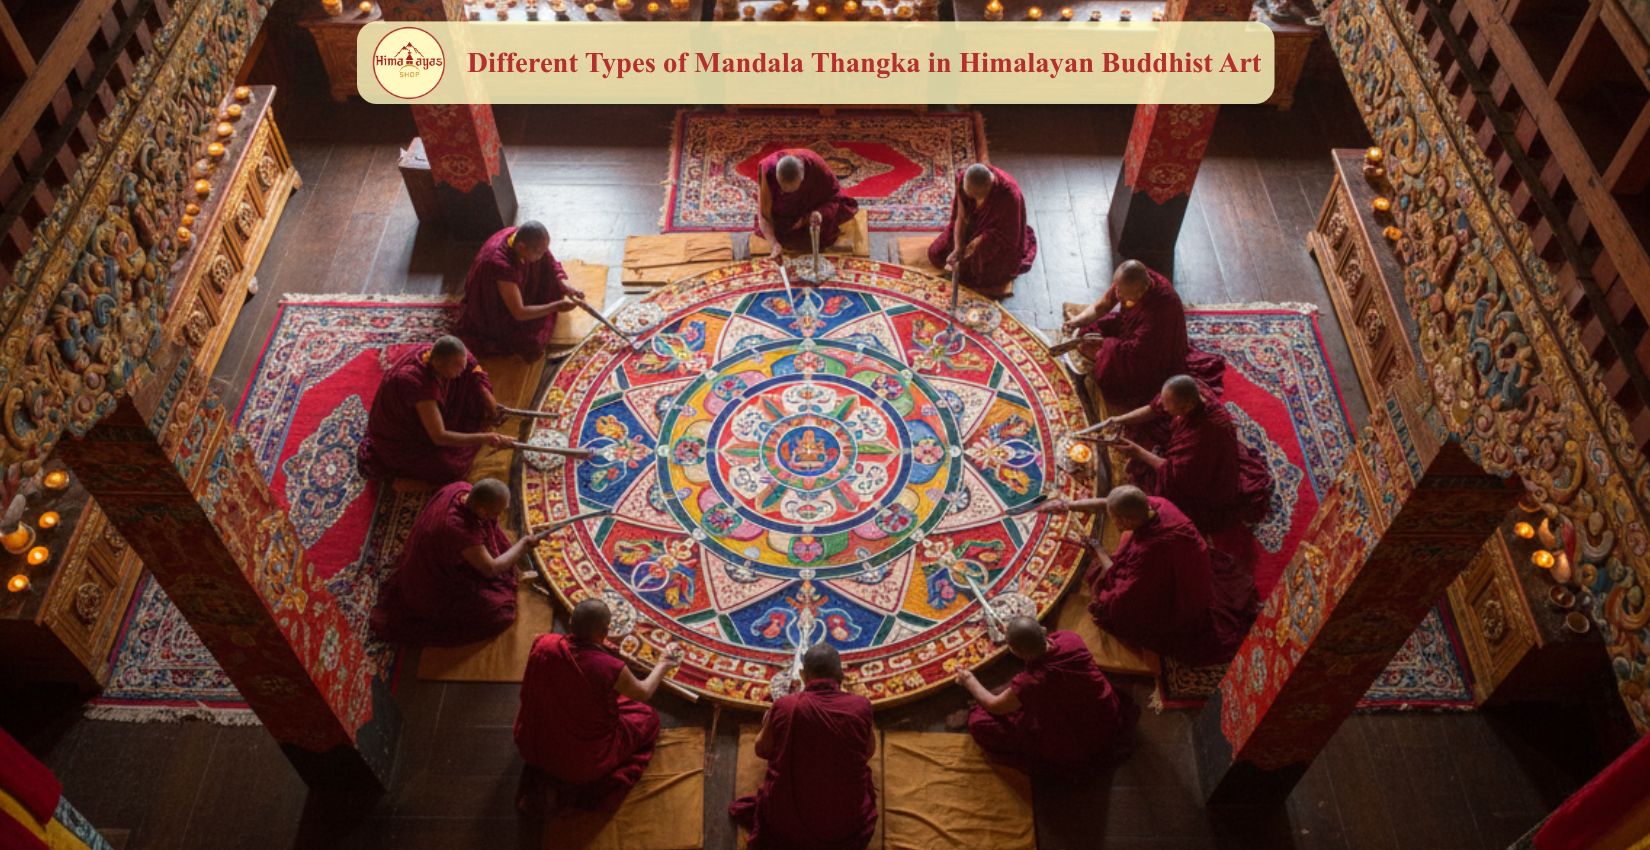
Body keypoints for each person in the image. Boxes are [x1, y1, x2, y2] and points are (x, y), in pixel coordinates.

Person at [1038, 485, 1256, 666]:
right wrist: (1067, 506)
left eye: (1117, 520)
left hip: (1181, 592)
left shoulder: (1150, 551)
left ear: (1130, 522)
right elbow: (1108, 503)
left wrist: (1099, 552)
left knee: (1112, 606)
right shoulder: (1157, 505)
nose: (1115, 523)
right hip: (1186, 558)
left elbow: (1126, 594)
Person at [514, 599, 681, 813]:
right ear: (604, 632)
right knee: (647, 717)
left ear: (571, 621)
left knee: (612, 698)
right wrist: (663, 664)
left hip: (531, 743)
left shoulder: (544, 644)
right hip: (582, 764)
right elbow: (644, 692)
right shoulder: (608, 667)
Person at [729, 644, 877, 850]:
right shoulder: (861, 706)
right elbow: (868, 752)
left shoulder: (787, 706)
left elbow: (761, 749)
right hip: (845, 825)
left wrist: (770, 720)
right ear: (841, 676)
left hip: (787, 825)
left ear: (802, 675)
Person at [369, 478, 545, 647]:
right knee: (502, 612)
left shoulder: (460, 487)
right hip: (430, 586)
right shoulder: (460, 531)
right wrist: (523, 545)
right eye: (498, 511)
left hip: (433, 550)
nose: (500, 515)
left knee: (496, 539)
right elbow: (491, 569)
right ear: (482, 511)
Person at [955, 616, 1137, 775]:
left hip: (1080, 739)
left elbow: (995, 706)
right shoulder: (1070, 639)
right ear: (1043, 630)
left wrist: (969, 680)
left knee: (979, 722)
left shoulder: (1031, 682)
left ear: (1014, 652)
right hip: (1106, 713)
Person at [1100, 374, 1273, 533]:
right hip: (1186, 441)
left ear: (1188, 406)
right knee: (1144, 426)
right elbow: (1154, 409)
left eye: (1169, 406)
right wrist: (1117, 419)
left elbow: (1176, 475)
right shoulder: (1191, 392)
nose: (1164, 408)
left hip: (1206, 474)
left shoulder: (1205, 434)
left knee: (1160, 489)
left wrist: (1138, 452)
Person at [1062, 260, 1226, 411]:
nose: (1118, 296)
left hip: (1151, 351)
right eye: (1117, 289)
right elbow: (1103, 306)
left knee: (1108, 364)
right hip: (1132, 330)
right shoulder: (1129, 281)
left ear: (1142, 290)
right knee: (1087, 330)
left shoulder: (1161, 309)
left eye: (1124, 295)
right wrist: (1076, 321)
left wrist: (1104, 346)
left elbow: (1138, 353)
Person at [355, 335, 512, 484]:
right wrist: (485, 437)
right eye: (457, 368)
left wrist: (488, 400)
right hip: (401, 437)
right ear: (438, 363)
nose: (460, 372)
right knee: (451, 468)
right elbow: (439, 437)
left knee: (473, 392)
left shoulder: (444, 353)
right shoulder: (417, 384)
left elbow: (472, 369)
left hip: (431, 405)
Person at [454, 221, 585, 361]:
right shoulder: (500, 265)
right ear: (521, 247)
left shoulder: (518, 235)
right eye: (539, 252)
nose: (542, 255)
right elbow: (519, 313)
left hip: (511, 281)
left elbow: (548, 260)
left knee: (546, 270)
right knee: (531, 344)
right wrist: (555, 307)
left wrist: (563, 285)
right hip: (490, 303)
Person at [926, 162, 1038, 298]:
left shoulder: (1009, 195)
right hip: (972, 226)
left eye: (978, 199)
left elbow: (1005, 238)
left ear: (988, 188)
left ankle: (963, 266)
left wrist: (964, 258)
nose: (976, 202)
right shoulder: (964, 180)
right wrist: (957, 248)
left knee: (971, 272)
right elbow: (960, 217)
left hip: (993, 239)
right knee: (936, 254)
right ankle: (960, 263)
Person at [755, 149, 859, 257]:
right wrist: (774, 244)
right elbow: (764, 216)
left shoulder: (815, 166)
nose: (785, 192)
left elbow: (834, 198)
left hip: (809, 208)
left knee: (823, 228)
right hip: (784, 215)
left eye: (792, 189)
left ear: (803, 177)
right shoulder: (768, 169)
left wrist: (819, 214)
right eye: (782, 188)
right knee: (778, 231)